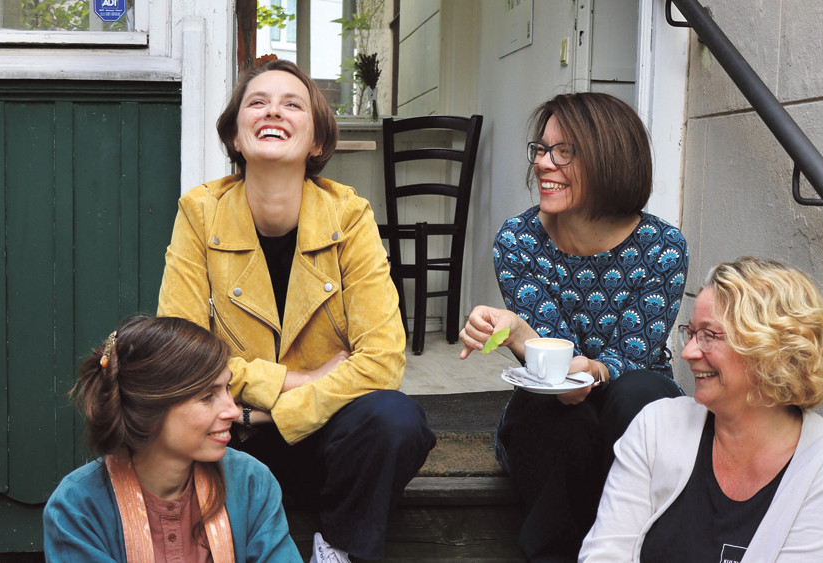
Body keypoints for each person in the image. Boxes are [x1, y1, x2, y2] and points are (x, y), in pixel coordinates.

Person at [157, 58, 435, 563]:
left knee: (397, 419)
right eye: (257, 102)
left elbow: (383, 359)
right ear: (236, 139)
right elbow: (181, 353)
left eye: (292, 104)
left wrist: (267, 412)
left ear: (317, 143)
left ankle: (338, 548)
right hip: (232, 434)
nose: (273, 112)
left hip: (323, 439)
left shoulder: (349, 215)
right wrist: (295, 382)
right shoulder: (199, 213)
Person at [458, 92, 689, 562]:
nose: (544, 163)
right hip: (554, 420)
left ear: (610, 158)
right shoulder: (520, 240)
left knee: (642, 392)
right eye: (542, 150)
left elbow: (635, 355)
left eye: (565, 152)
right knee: (555, 413)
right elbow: (552, 366)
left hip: (628, 407)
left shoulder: (663, 246)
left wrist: (587, 370)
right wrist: (520, 335)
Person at [580, 257, 823, 562]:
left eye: (708, 335)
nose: (688, 352)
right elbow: (604, 554)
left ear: (768, 351)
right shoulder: (657, 426)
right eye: (690, 333)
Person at [43, 315, 300, 563]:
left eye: (227, 388)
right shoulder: (77, 509)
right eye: (207, 396)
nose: (233, 411)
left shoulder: (250, 482)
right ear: (149, 410)